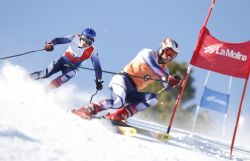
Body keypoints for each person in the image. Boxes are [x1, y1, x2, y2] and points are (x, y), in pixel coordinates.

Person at [72, 38, 181, 122]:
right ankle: (87, 109)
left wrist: (173, 82)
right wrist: (166, 77)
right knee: (118, 102)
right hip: (122, 79)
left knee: (152, 99)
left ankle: (119, 115)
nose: (169, 57)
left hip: (133, 90)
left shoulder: (164, 70)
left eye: (173, 56)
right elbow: (153, 66)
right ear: (162, 48)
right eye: (169, 53)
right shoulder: (148, 53)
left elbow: (167, 87)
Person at [30, 28, 103, 90]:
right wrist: (50, 44)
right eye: (84, 39)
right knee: (44, 74)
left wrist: (98, 80)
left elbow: (97, 68)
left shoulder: (93, 51)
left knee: (68, 76)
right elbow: (58, 40)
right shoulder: (75, 38)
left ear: (92, 42)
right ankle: (25, 79)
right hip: (62, 60)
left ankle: (45, 91)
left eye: (89, 41)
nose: (85, 43)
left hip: (72, 68)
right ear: (81, 36)